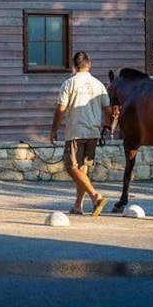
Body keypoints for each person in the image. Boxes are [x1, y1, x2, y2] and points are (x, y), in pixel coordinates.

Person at [50, 51, 113, 217]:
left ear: (73, 65)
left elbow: (61, 109)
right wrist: (107, 126)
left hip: (75, 131)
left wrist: (54, 130)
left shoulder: (69, 84)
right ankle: (78, 206)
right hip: (93, 131)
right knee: (82, 169)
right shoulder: (98, 85)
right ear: (89, 63)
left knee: (71, 167)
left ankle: (95, 195)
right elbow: (108, 109)